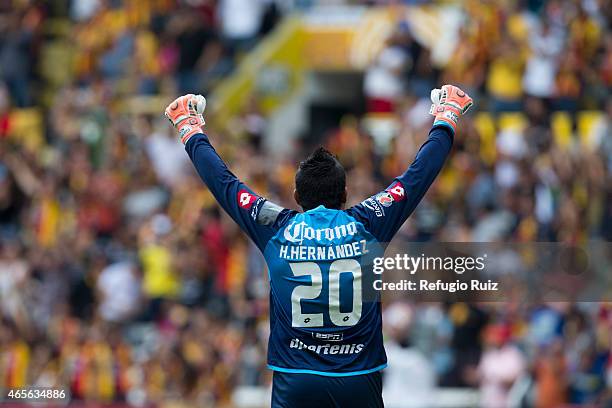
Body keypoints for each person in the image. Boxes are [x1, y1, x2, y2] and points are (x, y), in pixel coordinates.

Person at [163, 85, 473, 407]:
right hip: (358, 377)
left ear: (297, 197)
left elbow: (224, 184)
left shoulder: (276, 227)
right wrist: (446, 116)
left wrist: (190, 128)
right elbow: (417, 176)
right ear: (344, 194)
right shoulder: (369, 223)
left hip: (296, 378)